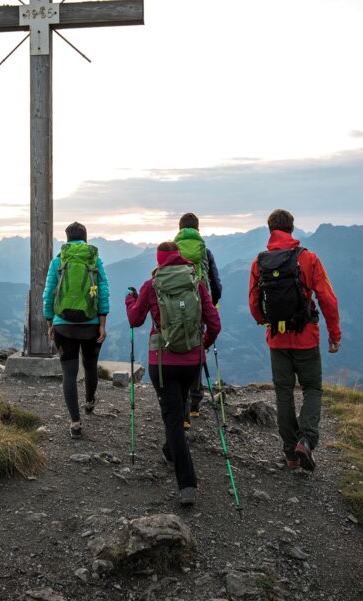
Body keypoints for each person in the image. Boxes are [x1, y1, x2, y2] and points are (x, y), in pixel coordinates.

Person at [126, 241, 221, 506]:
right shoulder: (196, 284)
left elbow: (135, 320)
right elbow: (214, 322)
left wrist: (130, 299)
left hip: (162, 363)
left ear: (159, 261)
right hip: (192, 362)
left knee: (173, 418)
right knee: (178, 409)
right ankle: (170, 450)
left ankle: (187, 482)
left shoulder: (151, 285)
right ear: (179, 258)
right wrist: (204, 343)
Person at [247, 209, 340, 472]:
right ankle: (306, 441)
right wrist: (335, 335)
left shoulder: (259, 263)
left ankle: (290, 455)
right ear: (292, 229)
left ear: (270, 230)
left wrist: (267, 323)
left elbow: (254, 303)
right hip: (306, 338)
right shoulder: (309, 259)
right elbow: (328, 300)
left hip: (277, 340)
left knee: (284, 393)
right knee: (312, 388)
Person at [43, 222, 110, 439]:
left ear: (67, 238)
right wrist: (102, 324)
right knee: (90, 367)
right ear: (85, 238)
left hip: (63, 326)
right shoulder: (94, 259)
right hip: (90, 325)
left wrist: (49, 322)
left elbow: (49, 293)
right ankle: (89, 401)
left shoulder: (58, 261)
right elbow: (103, 292)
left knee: (69, 374)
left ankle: (75, 422)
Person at [173, 212, 223, 425]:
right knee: (196, 348)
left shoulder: (172, 251)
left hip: (174, 309)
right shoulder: (205, 252)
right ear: (198, 229)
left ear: (180, 229)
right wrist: (212, 302)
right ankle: (195, 403)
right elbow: (216, 282)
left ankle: (181, 407)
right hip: (199, 308)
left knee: (176, 350)